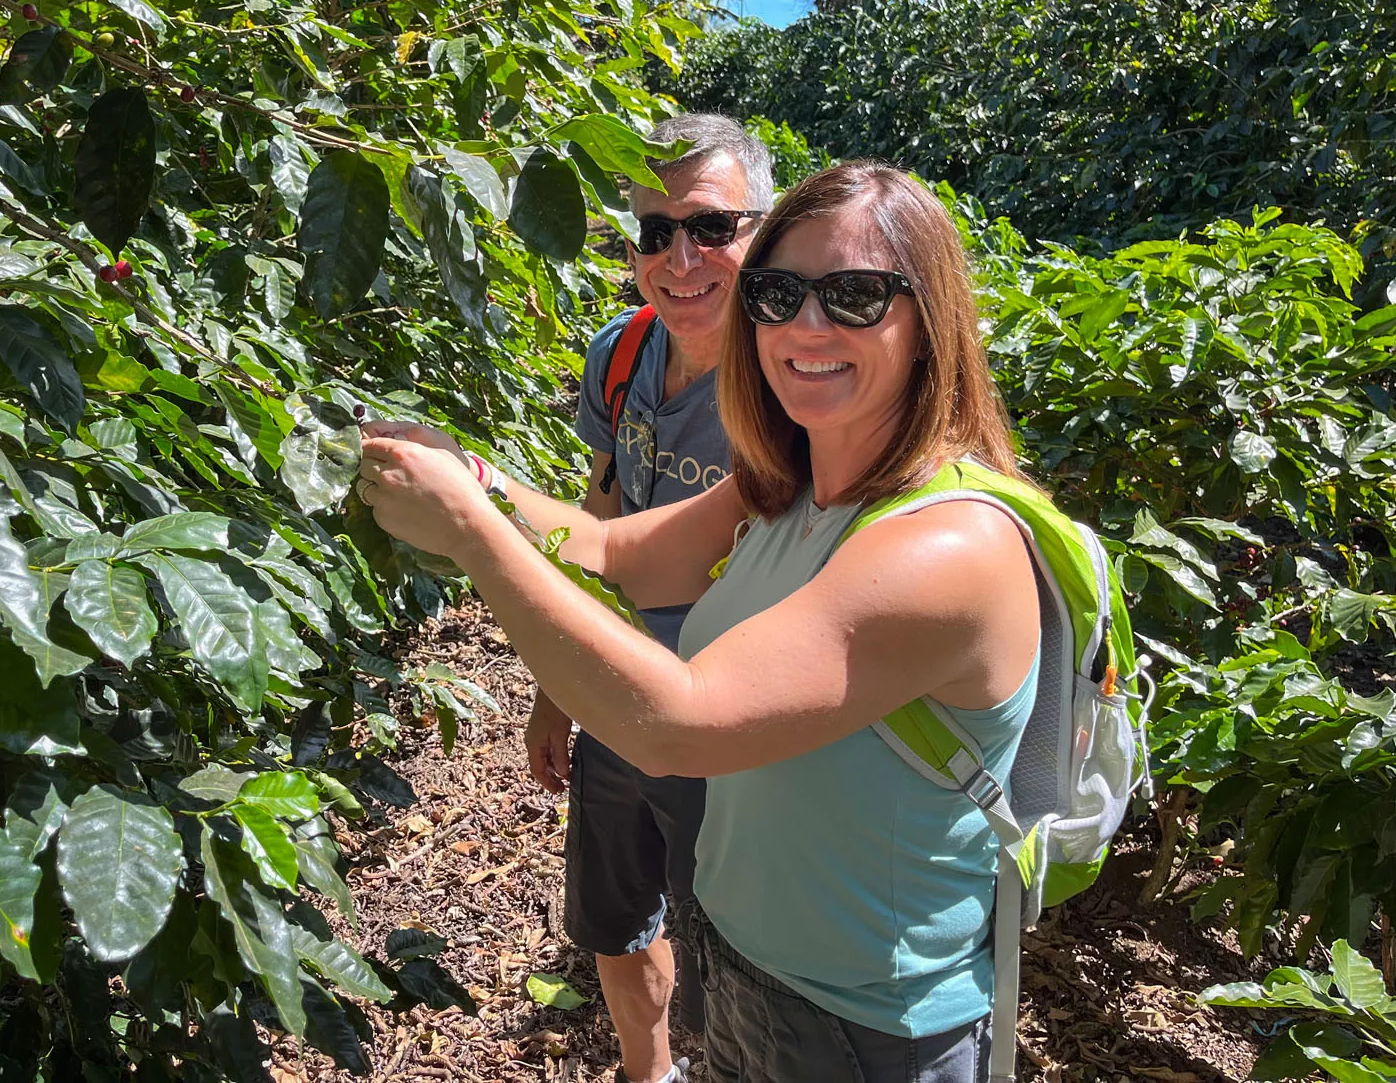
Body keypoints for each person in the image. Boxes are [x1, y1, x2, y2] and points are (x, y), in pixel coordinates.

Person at [357, 161, 1041, 1083]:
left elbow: (679, 725)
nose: (806, 326)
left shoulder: (949, 548)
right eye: (778, 293)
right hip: (752, 962)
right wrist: (474, 477)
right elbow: (622, 552)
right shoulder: (791, 484)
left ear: (930, 321)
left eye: (854, 295)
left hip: (870, 1023)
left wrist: (473, 536)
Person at [451, 114, 774, 1083]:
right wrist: (561, 687)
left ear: (764, 230)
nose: (681, 257)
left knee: (744, 960)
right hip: (621, 696)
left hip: (736, 720)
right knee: (613, 914)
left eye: (712, 228)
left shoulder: (790, 381)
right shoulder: (622, 352)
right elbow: (605, 500)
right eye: (653, 232)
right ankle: (649, 1072)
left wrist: (470, 510)